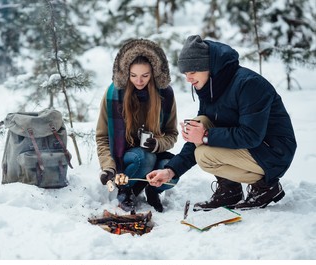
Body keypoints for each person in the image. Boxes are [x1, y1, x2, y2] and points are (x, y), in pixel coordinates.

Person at [146, 35, 297, 211]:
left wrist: (205, 136)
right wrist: (171, 171)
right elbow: (199, 135)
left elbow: (252, 135)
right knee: (200, 122)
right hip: (253, 149)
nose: (188, 79)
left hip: (273, 152)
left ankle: (266, 188)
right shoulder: (209, 86)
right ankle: (230, 190)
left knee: (205, 155)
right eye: (185, 73)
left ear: (207, 67)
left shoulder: (248, 84)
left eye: (192, 72)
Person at [96, 38, 179, 212]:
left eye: (145, 76)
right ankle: (126, 190)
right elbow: (102, 136)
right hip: (125, 160)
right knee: (143, 157)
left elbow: (172, 134)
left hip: (155, 154)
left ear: (154, 73)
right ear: (126, 73)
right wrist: (108, 167)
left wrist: (157, 144)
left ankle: (152, 190)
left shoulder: (165, 95)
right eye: (133, 75)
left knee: (172, 173)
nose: (139, 81)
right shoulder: (114, 95)